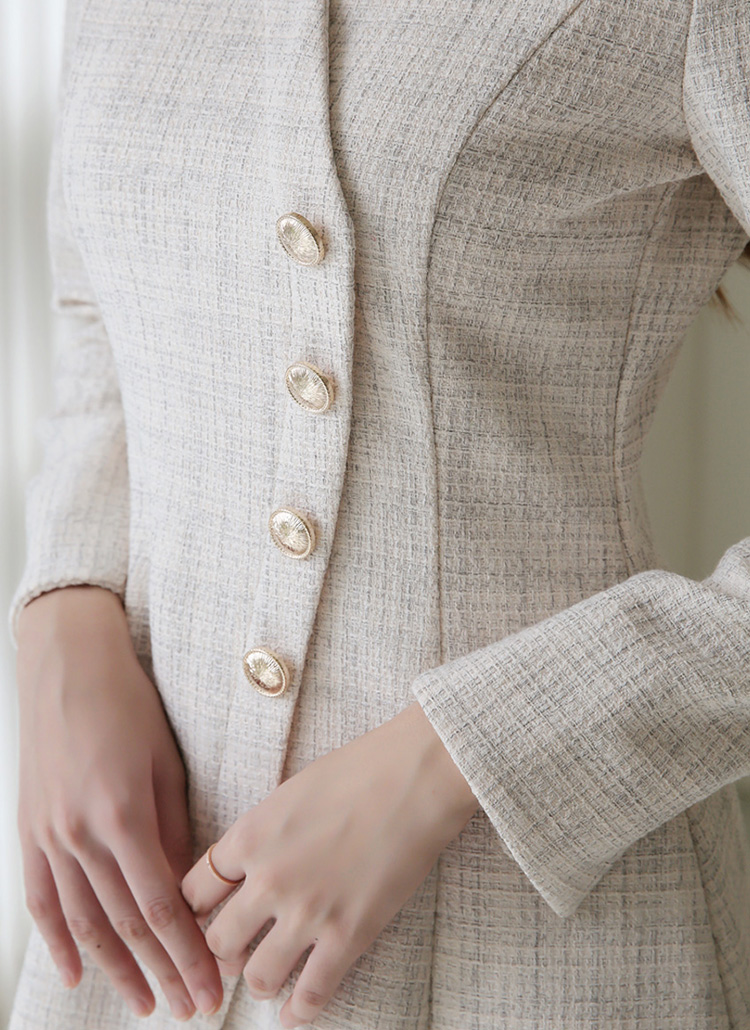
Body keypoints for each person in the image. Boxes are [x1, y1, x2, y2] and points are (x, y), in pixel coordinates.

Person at [8, 0, 750, 1027]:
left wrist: (463, 754)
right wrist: (63, 617)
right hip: (136, 914)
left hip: (531, 937)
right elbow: (98, 307)